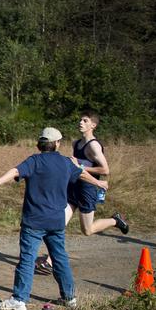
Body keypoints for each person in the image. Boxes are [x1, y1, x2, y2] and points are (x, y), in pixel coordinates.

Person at [0, 127, 108, 310]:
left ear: (41, 143)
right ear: (57, 143)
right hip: (56, 221)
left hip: (34, 220)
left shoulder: (34, 161)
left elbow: (16, 171)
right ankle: (69, 298)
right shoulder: (66, 162)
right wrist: (99, 183)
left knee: (27, 259)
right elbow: (81, 173)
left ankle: (19, 300)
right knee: (59, 258)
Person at [36, 111, 129, 274]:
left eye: (85, 121)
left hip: (88, 189)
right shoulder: (76, 143)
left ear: (93, 125)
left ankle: (116, 220)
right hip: (73, 187)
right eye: (80, 120)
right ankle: (50, 262)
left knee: (88, 230)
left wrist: (81, 167)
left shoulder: (93, 145)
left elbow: (105, 170)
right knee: (59, 223)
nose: (80, 122)